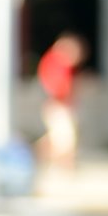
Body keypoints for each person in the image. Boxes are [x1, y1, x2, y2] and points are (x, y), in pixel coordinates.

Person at [35, 32, 88, 170]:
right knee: (65, 139)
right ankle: (65, 166)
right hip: (57, 106)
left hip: (63, 106)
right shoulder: (55, 64)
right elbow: (57, 88)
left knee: (57, 139)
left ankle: (34, 157)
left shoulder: (67, 67)